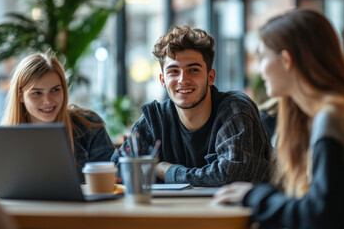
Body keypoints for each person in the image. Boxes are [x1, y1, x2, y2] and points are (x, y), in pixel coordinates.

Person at [212, 9, 344, 229]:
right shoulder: (327, 113)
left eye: (262, 57)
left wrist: (253, 196)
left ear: (286, 59)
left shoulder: (331, 117)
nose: (259, 70)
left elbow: (321, 215)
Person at [112, 26, 272, 187]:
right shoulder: (154, 120)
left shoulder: (234, 110)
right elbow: (118, 170)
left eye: (193, 70)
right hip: (173, 212)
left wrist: (166, 171)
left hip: (236, 211)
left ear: (210, 77)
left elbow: (233, 175)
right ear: (162, 80)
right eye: (173, 71)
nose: (183, 80)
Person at [0, 52, 115, 182]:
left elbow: (110, 182)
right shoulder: (2, 140)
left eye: (55, 90)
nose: (48, 101)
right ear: (20, 96)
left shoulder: (89, 126)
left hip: (82, 203)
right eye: (37, 93)